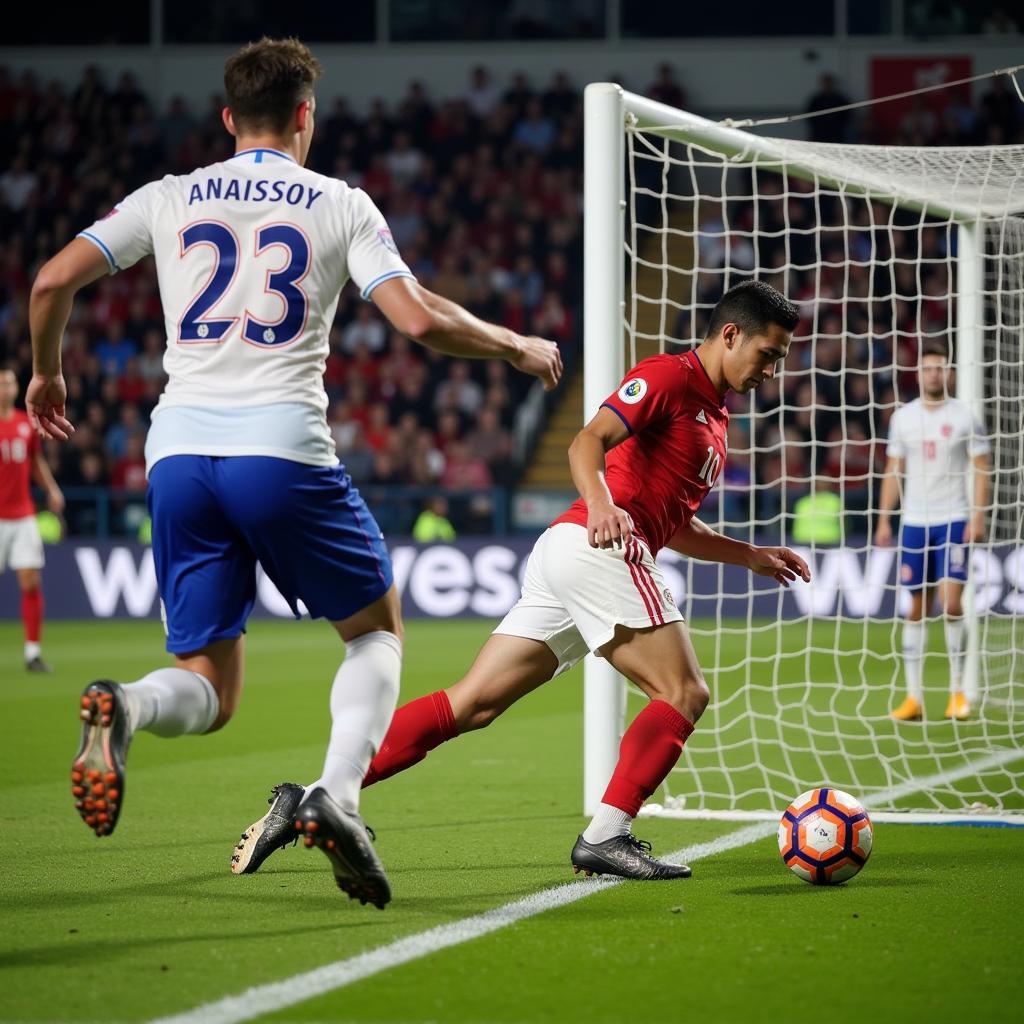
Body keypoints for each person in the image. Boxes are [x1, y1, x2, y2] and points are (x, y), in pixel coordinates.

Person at [27, 37, 561, 910]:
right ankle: (338, 797)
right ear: (306, 115)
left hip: (177, 456)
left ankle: (125, 704)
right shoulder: (339, 204)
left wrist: (47, 372)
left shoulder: (169, 195)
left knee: (210, 685)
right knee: (375, 631)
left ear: (228, 117)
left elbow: (52, 281)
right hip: (279, 449)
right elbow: (417, 320)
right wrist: (512, 343)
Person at [231, 281, 809, 882]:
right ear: (730, 334)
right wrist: (602, 502)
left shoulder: (715, 413)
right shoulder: (668, 377)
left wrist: (748, 555)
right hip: (598, 547)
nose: (773, 369)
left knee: (472, 704)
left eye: (781, 359)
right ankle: (607, 836)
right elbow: (587, 441)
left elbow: (674, 523)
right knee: (683, 693)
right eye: (768, 354)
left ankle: (308, 796)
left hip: (572, 553)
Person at [875, 343, 990, 722]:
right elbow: (894, 469)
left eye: (940, 369)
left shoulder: (964, 417)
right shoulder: (904, 418)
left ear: (949, 373)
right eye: (928, 369)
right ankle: (914, 698)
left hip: (954, 518)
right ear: (920, 374)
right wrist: (884, 519)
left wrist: (978, 515)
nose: (934, 375)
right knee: (917, 609)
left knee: (951, 602)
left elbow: (981, 468)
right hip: (914, 522)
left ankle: (958, 692)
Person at [0, 368, 65, 672]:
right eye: (1, 383)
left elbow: (35, 461)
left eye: (10, 383)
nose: (6, 388)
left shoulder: (25, 424)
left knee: (30, 582)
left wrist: (51, 488)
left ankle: (32, 653)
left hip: (23, 513)